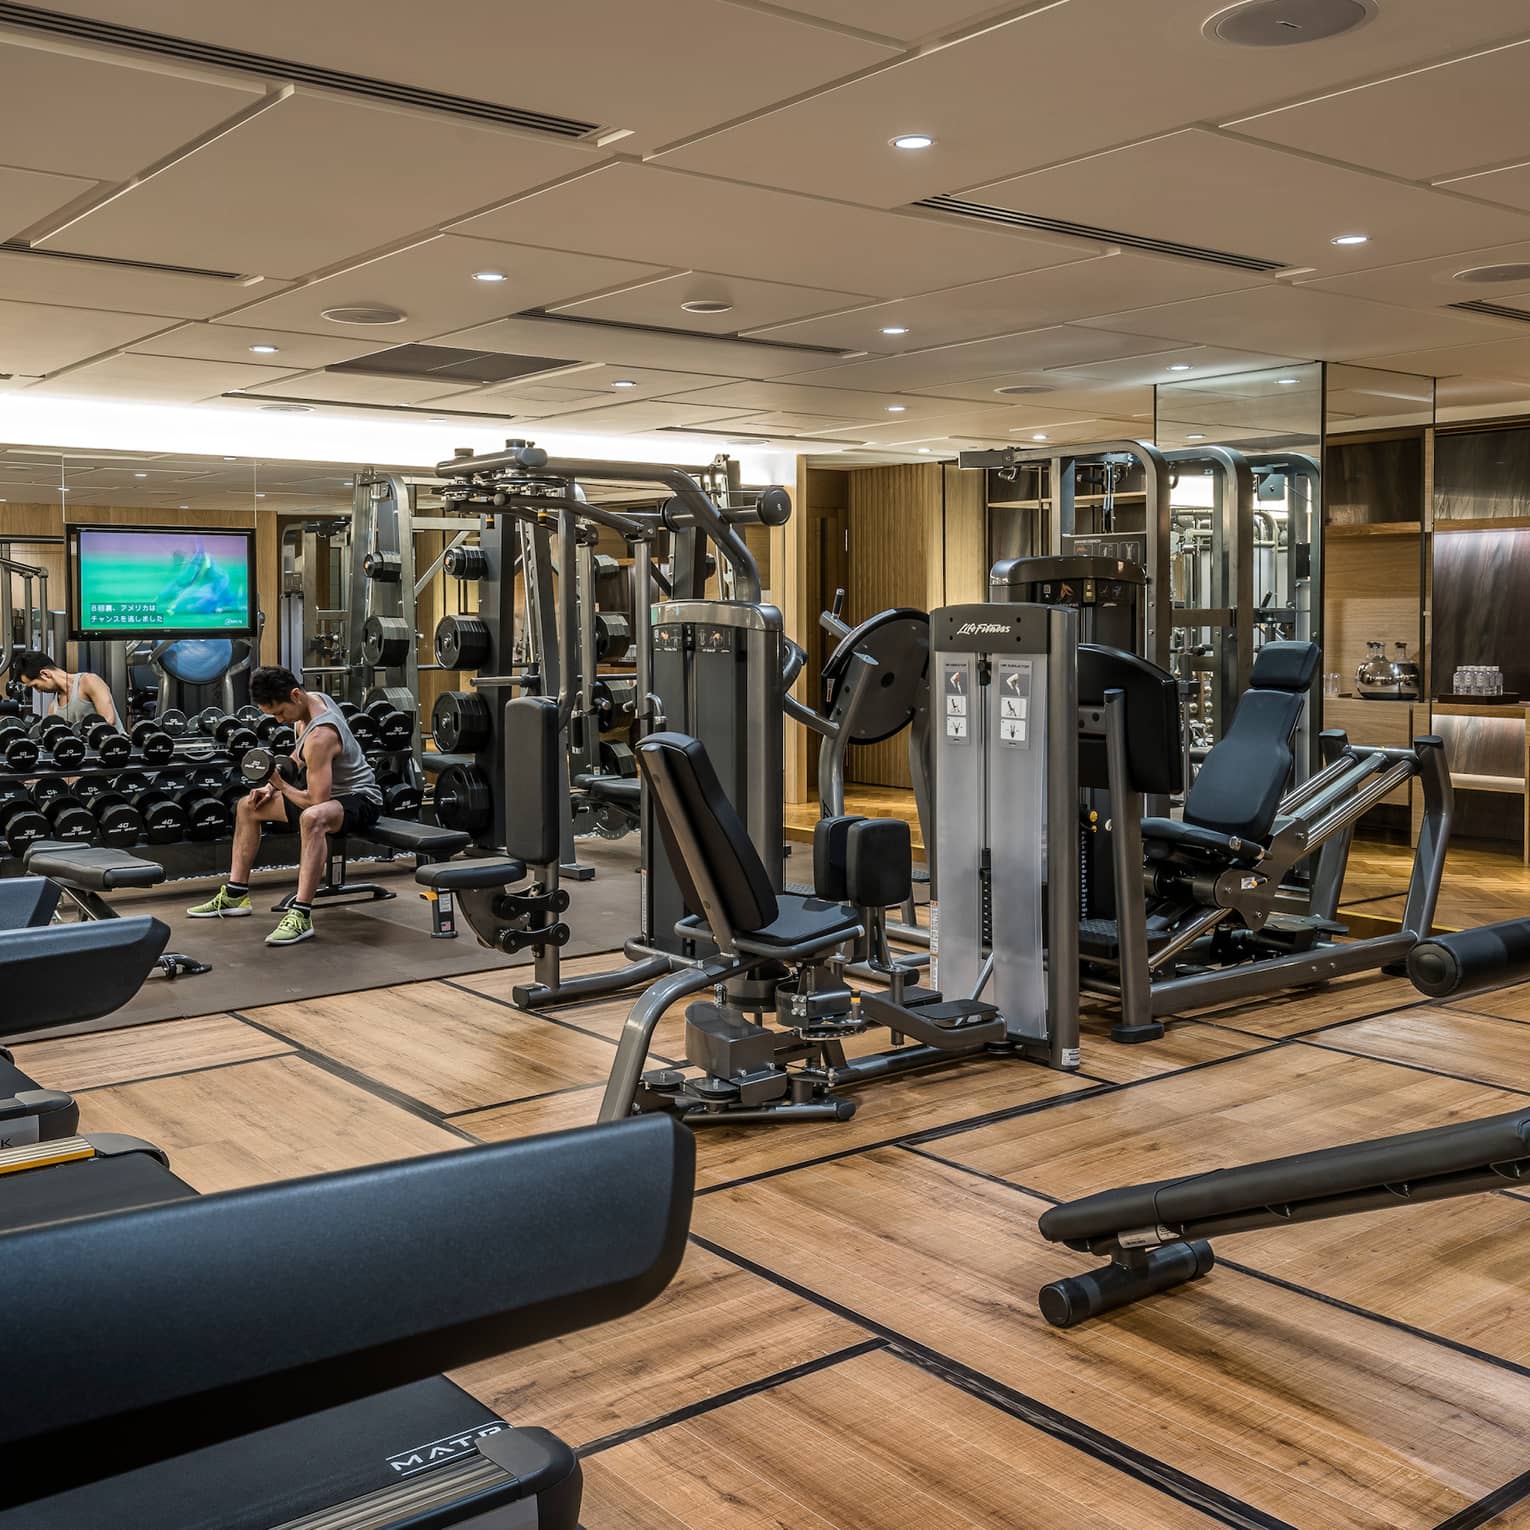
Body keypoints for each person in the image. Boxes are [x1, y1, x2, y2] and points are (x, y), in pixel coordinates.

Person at [187, 665, 382, 945]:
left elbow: (316, 801)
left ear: (295, 695)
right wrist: (269, 786)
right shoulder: (312, 701)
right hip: (329, 797)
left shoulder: (322, 735)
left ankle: (301, 914)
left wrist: (279, 784)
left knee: (312, 818)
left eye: (280, 713)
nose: (279, 721)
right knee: (247, 806)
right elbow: (298, 756)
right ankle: (235, 895)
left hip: (360, 799)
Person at [13, 650, 119, 728]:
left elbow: (109, 720)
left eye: (36, 685)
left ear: (45, 674)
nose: (39, 691)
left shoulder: (89, 681)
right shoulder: (53, 709)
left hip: (116, 749)